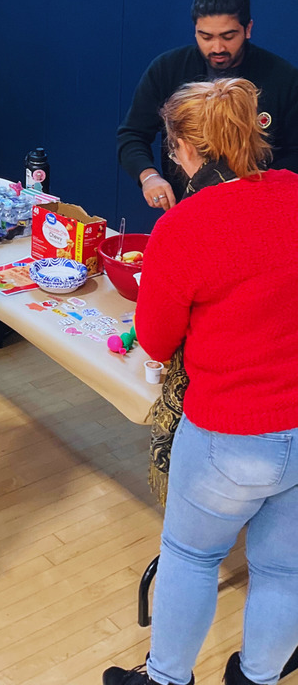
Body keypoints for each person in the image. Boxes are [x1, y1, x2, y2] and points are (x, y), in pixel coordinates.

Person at [104, 78, 298, 685]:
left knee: (191, 555)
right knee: (284, 570)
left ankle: (166, 679)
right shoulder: (294, 192)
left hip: (228, 431)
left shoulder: (184, 227)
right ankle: (258, 677)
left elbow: (157, 339)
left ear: (187, 147)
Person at [117, 0, 298, 212]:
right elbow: (132, 134)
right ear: (195, 31)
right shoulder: (167, 69)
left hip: (261, 208)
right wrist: (149, 176)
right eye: (206, 36)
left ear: (248, 29)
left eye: (228, 36)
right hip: (187, 207)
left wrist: (258, 191)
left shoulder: (283, 78)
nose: (217, 47)